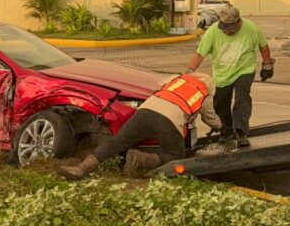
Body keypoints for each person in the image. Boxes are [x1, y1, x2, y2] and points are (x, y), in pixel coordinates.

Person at [59, 72, 223, 180]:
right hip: (169, 122)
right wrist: (219, 126)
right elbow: (210, 118)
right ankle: (141, 158)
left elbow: (159, 86)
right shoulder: (204, 92)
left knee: (117, 142)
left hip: (145, 111)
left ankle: (81, 168)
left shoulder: (177, 78)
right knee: (176, 156)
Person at [186, 5, 273, 148]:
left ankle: (240, 131)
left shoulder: (251, 28)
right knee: (220, 104)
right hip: (222, 74)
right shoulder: (213, 32)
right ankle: (226, 131)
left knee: (242, 97)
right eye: (224, 27)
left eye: (231, 27)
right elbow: (200, 54)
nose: (227, 31)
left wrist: (267, 65)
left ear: (239, 22)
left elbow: (263, 46)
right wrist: (189, 72)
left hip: (244, 69)